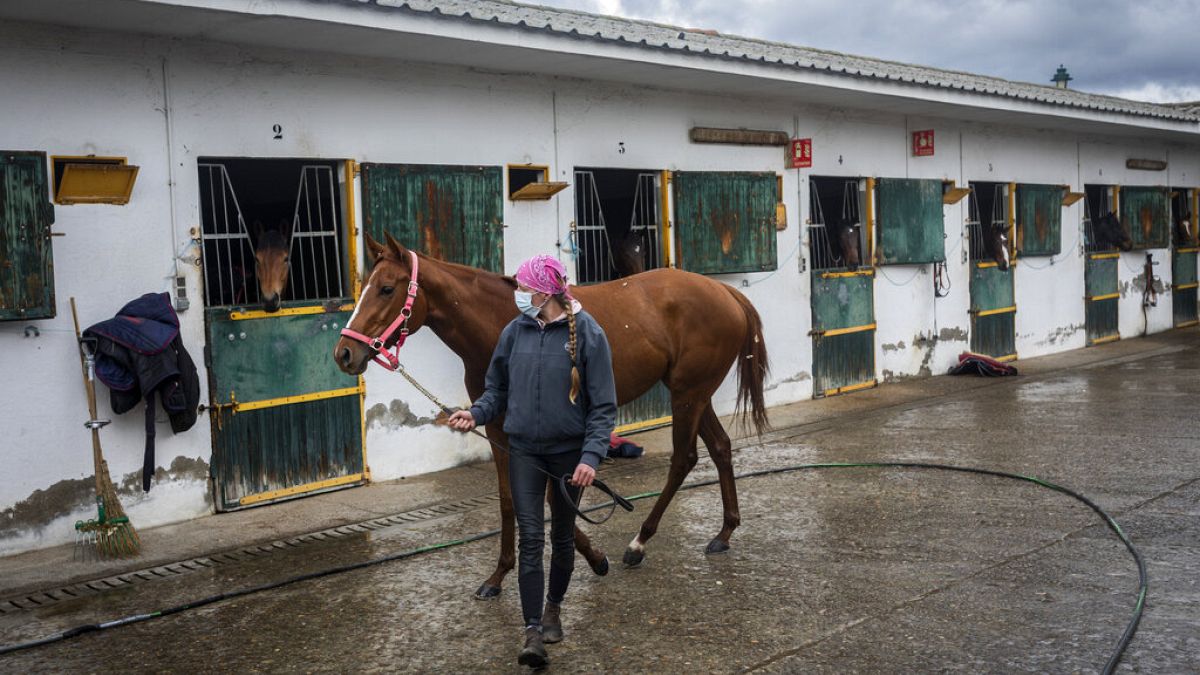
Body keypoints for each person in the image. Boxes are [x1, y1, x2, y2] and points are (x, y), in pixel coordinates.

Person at [448, 254, 617, 669]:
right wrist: (476, 413)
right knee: (531, 539)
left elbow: (603, 407)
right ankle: (531, 631)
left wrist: (591, 456)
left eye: (523, 288)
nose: (518, 295)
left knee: (561, 538)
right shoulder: (514, 331)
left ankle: (554, 609)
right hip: (523, 449)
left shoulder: (589, 334)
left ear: (544, 291)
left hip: (568, 455)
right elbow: (496, 391)